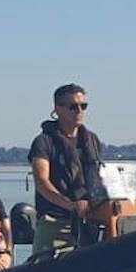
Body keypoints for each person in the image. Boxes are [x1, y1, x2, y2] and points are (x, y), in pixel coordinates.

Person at [28, 82, 107, 258]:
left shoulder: (92, 141)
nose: (79, 111)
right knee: (44, 268)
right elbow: (42, 182)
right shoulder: (43, 142)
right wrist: (70, 205)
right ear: (58, 109)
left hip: (89, 220)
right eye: (73, 106)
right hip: (55, 221)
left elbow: (99, 177)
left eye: (83, 106)